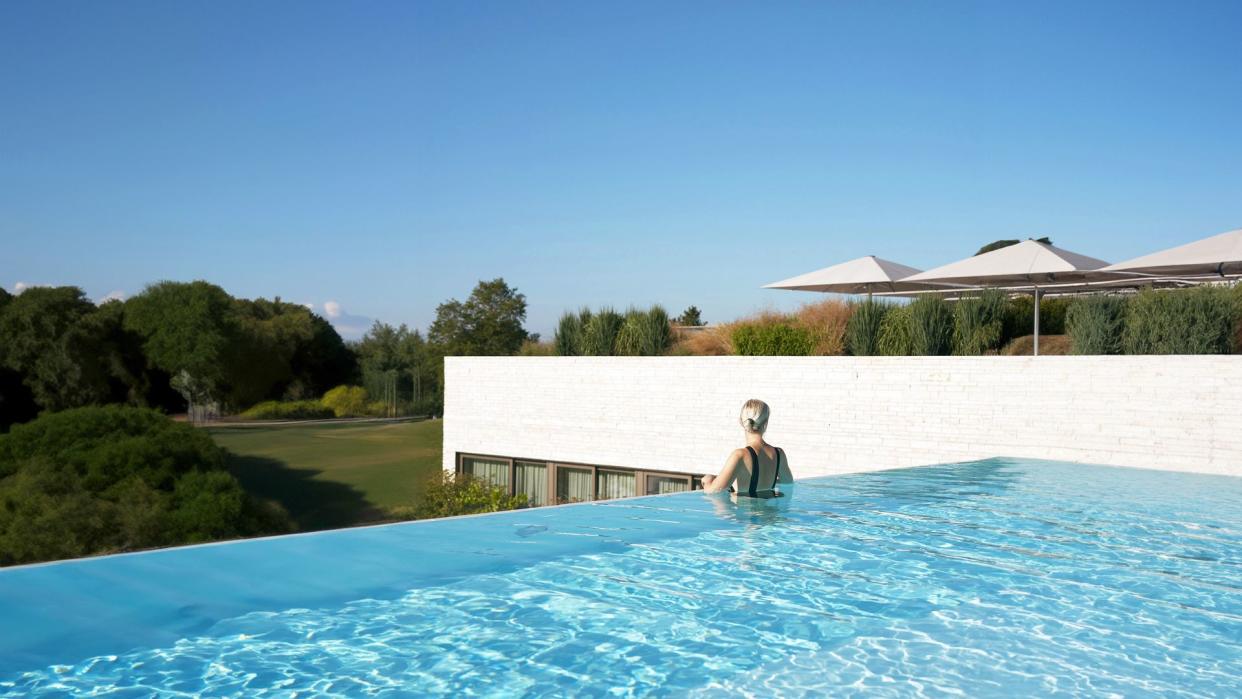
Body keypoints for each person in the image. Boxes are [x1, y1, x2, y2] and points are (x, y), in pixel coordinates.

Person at [701, 399, 792, 498]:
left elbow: (713, 491)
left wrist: (707, 480)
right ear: (766, 423)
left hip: (745, 512)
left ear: (741, 421)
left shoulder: (740, 455)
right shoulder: (779, 454)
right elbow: (788, 483)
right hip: (770, 512)